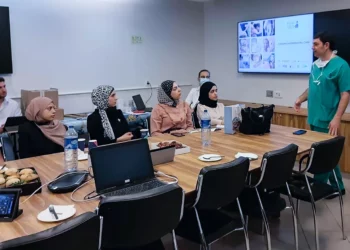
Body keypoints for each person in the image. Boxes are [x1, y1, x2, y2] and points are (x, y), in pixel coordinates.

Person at [294, 32, 350, 198]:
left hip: (328, 119)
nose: (313, 47)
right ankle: (338, 186)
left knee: (322, 155)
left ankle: (316, 188)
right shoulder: (315, 65)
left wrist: (337, 118)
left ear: (326, 45)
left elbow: (345, 94)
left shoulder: (341, 66)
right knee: (328, 154)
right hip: (314, 118)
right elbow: (312, 87)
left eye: (316, 44)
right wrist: (300, 99)